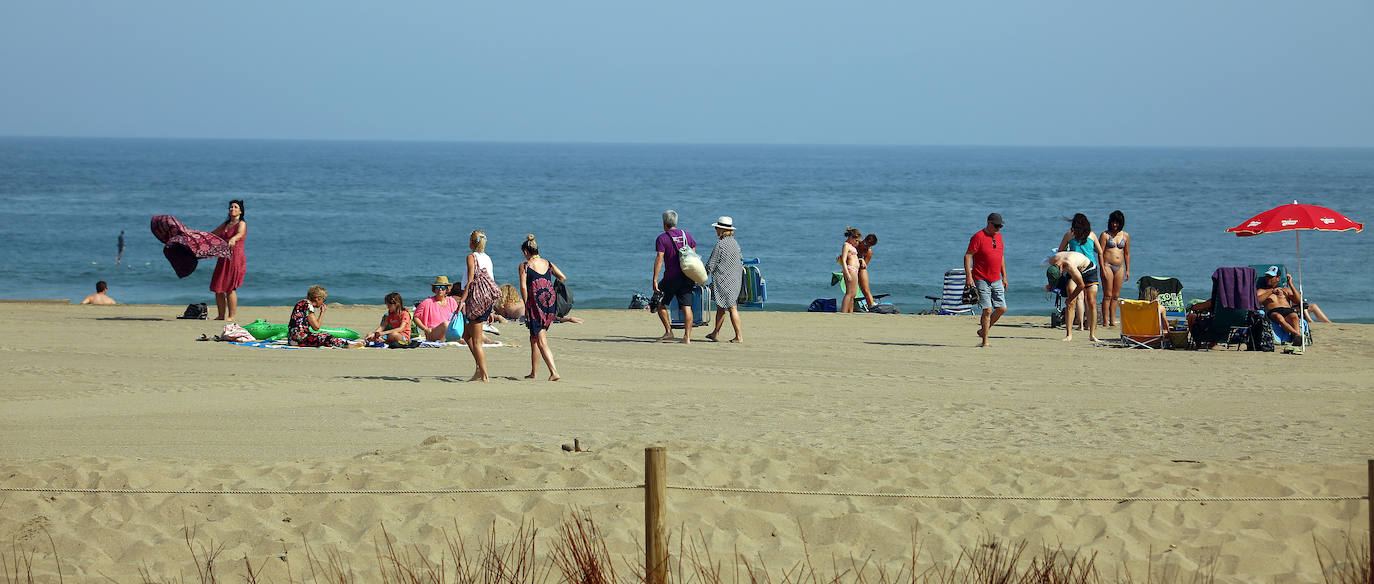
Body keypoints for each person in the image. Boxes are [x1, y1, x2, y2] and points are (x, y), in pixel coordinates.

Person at [519, 234, 566, 381]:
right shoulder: (548, 263)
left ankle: (554, 372)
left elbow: (523, 287)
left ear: (526, 252)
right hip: (549, 302)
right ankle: (534, 372)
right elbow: (563, 277)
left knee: (541, 339)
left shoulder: (525, 266)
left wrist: (526, 305)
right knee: (534, 337)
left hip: (535, 304)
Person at [651, 210, 697, 343]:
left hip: (671, 277)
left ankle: (669, 332)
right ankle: (687, 337)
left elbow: (659, 258)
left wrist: (655, 279)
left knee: (659, 302)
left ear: (664, 223)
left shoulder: (662, 238)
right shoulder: (685, 235)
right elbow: (693, 253)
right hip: (687, 276)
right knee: (686, 307)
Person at [455, 230, 495, 381]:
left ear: (472, 242)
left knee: (477, 341)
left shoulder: (471, 257)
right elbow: (491, 282)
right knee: (466, 334)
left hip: (475, 300)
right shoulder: (488, 258)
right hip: (485, 301)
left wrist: (462, 301)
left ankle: (483, 374)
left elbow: (470, 281)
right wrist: (491, 307)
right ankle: (479, 368)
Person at [965, 213, 1008, 347]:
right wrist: (969, 276)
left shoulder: (999, 237)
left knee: (1002, 308)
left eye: (1000, 226)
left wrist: (1004, 276)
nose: (998, 228)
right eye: (996, 226)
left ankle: (983, 330)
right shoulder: (978, 237)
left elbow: (1001, 257)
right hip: (981, 278)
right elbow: (968, 256)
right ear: (988, 223)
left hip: (996, 278)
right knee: (987, 310)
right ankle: (985, 341)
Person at [1044, 250, 1101, 342]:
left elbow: (1081, 285)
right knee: (1070, 304)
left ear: (1061, 270)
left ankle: (1092, 335)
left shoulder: (1069, 265)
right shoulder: (1052, 260)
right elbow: (1052, 276)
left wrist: (1069, 298)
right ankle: (1068, 335)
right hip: (1073, 271)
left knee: (1091, 302)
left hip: (1088, 269)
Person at [1058, 213, 1101, 330]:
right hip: (1090, 268)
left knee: (1075, 298)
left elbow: (1060, 251)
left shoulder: (1069, 235)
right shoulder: (1092, 235)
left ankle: (1077, 327)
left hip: (1074, 267)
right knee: (1091, 301)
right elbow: (1100, 251)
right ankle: (1091, 329)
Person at [704, 216, 744, 343]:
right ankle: (715, 333)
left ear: (721, 230)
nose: (715, 229)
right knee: (721, 307)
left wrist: (700, 276)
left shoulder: (720, 245)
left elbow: (711, 264)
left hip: (722, 281)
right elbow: (740, 259)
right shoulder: (736, 244)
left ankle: (739, 336)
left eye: (717, 228)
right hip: (735, 280)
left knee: (731, 308)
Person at [209, 200, 247, 321]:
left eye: (235, 207)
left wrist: (233, 239)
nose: (232, 209)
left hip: (235, 258)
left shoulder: (241, 223)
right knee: (218, 287)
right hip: (223, 257)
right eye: (231, 207)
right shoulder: (225, 224)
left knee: (230, 288)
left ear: (240, 211)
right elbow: (213, 234)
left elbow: (240, 234)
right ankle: (221, 315)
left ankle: (231, 316)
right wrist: (196, 235)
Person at [288, 286, 356, 348]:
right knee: (325, 337)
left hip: (292, 338)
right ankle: (346, 344)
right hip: (300, 338)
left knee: (320, 336)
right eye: (324, 300)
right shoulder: (308, 305)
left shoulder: (301, 303)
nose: (323, 302)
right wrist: (322, 313)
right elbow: (316, 327)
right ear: (318, 298)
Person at [1098, 210, 1130, 328]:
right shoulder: (1105, 235)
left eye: (1117, 223)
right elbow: (1100, 253)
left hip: (1120, 267)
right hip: (1108, 265)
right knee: (1108, 294)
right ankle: (1105, 321)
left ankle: (1112, 320)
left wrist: (1127, 270)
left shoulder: (1125, 235)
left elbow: (1127, 254)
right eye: (1113, 222)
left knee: (1116, 296)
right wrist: (1102, 268)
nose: (1114, 225)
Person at [1257, 266, 1304, 343]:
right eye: (1267, 276)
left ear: (1278, 278)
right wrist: (1271, 292)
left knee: (1294, 317)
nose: (1268, 279)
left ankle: (1296, 339)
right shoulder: (1262, 291)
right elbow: (1256, 301)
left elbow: (1299, 301)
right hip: (1273, 312)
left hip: (1287, 310)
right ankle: (1297, 335)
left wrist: (1290, 284)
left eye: (1271, 277)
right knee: (1279, 317)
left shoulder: (1285, 290)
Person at [413, 276, 459, 342]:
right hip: (432, 332)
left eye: (443, 287)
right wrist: (425, 328)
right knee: (446, 324)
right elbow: (416, 317)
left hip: (449, 332)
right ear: (434, 289)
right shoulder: (427, 302)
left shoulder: (452, 301)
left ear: (447, 289)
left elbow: (457, 317)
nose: (440, 289)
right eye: (437, 287)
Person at [836, 227, 861, 313]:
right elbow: (843, 260)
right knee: (849, 293)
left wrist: (861, 260)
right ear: (851, 237)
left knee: (853, 294)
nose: (857, 243)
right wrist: (847, 273)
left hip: (855, 270)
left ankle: (850, 311)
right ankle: (843, 312)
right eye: (856, 240)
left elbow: (854, 258)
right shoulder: (846, 245)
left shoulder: (851, 246)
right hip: (850, 270)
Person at [855, 233, 878, 309]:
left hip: (861, 268)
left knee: (865, 289)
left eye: (868, 245)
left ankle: (871, 306)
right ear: (864, 239)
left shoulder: (868, 251)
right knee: (852, 290)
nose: (865, 246)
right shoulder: (856, 243)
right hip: (852, 266)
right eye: (865, 243)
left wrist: (861, 260)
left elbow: (864, 265)